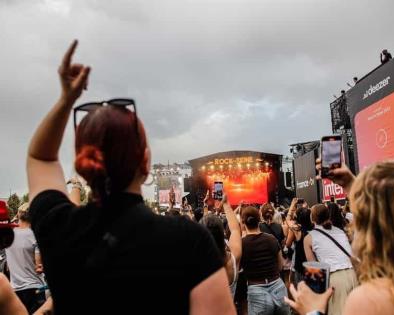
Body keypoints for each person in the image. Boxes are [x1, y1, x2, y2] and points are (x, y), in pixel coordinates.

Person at [27, 40, 235, 315]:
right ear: (145, 163)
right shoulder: (189, 241)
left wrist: (67, 100)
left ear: (83, 167)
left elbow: (41, 158)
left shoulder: (59, 227)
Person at [287, 161, 394, 315]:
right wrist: (352, 184)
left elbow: (314, 266)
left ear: (372, 229)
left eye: (359, 220)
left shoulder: (370, 300)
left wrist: (312, 312)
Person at [303, 203, 357, 315]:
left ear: (312, 218)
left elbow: (314, 268)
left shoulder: (309, 238)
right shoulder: (340, 231)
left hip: (335, 279)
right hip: (353, 274)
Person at [240, 206, 290, 315]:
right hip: (278, 286)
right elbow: (280, 266)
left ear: (243, 222)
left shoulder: (241, 244)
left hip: (256, 289)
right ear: (259, 220)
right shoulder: (271, 239)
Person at [5, 203, 46, 313]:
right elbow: (39, 267)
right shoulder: (35, 235)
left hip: (15, 289)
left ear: (18, 215)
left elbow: (8, 267)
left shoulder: (8, 235)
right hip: (34, 288)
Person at [200, 195, 242, 298]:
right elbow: (235, 230)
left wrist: (205, 206)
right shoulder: (233, 259)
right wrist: (226, 204)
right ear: (222, 233)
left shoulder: (197, 265)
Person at [285, 207, 313, 285]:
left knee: (300, 289)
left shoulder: (297, 230)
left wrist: (292, 206)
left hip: (300, 265)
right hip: (312, 265)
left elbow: (287, 244)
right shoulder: (314, 228)